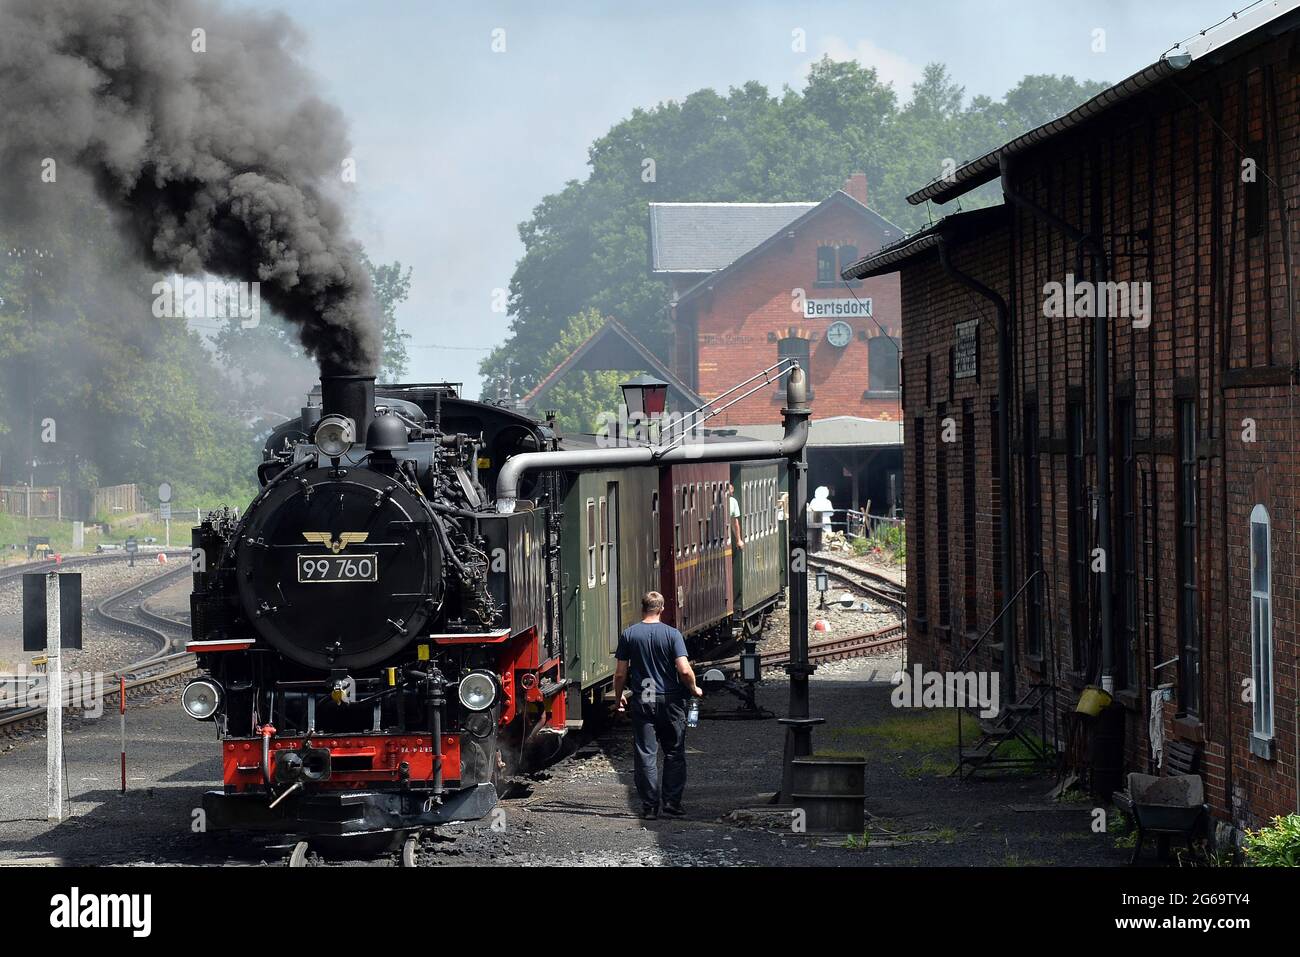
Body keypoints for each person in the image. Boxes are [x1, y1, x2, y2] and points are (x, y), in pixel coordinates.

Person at [613, 591, 703, 819]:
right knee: (674, 751)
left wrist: (619, 697)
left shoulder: (629, 635)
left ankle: (650, 806)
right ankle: (672, 803)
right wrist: (694, 689)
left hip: (645, 696)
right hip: (670, 697)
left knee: (646, 753)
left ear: (642, 608)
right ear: (661, 609)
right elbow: (683, 669)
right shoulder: (672, 634)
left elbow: (620, 673)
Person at [727, 481, 743, 550]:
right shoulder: (733, 501)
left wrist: (738, 539)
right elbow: (735, 523)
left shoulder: (733, 501)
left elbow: (734, 523)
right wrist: (738, 540)